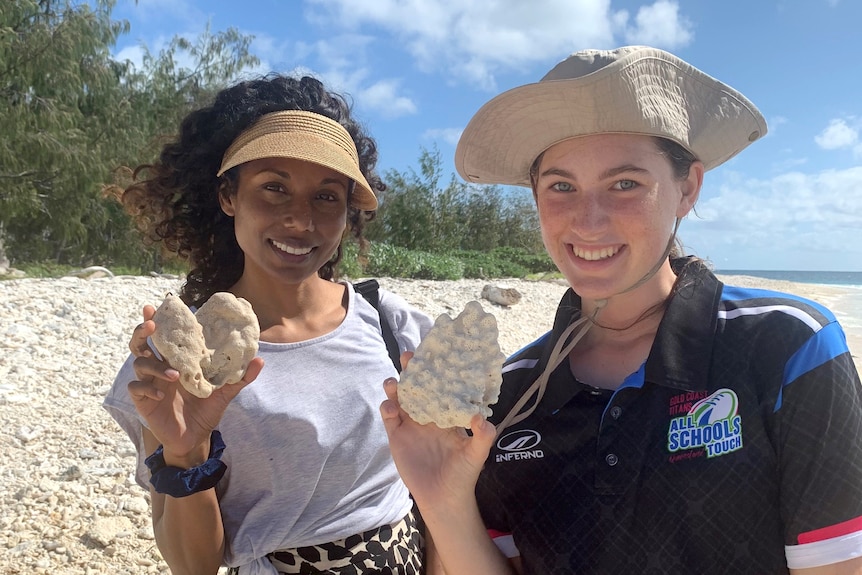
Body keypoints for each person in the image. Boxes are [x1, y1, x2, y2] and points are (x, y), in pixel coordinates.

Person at [380, 46, 862, 575]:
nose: (588, 221)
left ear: (687, 188)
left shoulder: (787, 346)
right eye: (561, 186)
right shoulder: (508, 396)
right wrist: (442, 499)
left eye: (625, 184)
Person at [103, 74, 432, 575]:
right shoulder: (178, 366)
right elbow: (194, 565)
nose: (300, 220)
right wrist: (186, 448)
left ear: (348, 213)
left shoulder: (393, 325)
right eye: (273, 188)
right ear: (228, 197)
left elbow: (436, 489)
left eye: (326, 196)